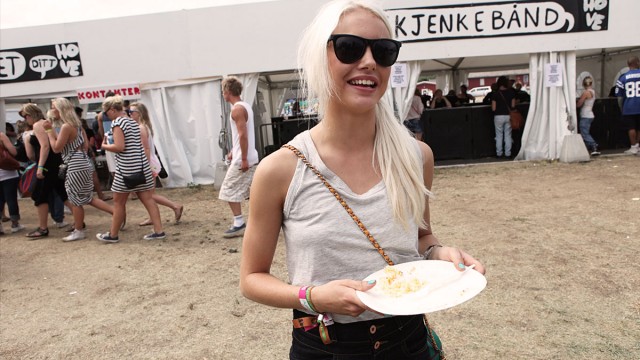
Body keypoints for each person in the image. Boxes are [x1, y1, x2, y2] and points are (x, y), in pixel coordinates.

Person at [239, 1, 485, 358]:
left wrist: (440, 253)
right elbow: (251, 280)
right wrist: (312, 296)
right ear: (319, 57)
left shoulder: (416, 157)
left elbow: (421, 237)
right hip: (324, 345)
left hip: (408, 342)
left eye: (383, 51)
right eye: (350, 47)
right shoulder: (280, 169)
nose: (369, 61)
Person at [96, 95, 165, 243]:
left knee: (118, 202)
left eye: (106, 112)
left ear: (113, 110)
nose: (105, 115)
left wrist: (104, 146)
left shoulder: (118, 123)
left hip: (126, 169)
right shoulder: (132, 122)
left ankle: (112, 235)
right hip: (141, 167)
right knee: (148, 199)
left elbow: (119, 147)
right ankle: (159, 230)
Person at [44, 98, 115, 241]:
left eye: (54, 108)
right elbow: (84, 145)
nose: (52, 110)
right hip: (82, 161)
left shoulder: (66, 126)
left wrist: (49, 131)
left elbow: (56, 148)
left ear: (60, 109)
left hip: (74, 164)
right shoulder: (76, 125)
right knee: (87, 197)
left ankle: (78, 230)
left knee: (75, 199)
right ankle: (117, 213)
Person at [20, 103, 72, 238]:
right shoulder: (46, 123)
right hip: (55, 163)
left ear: (30, 115)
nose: (25, 119)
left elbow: (45, 147)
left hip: (48, 164)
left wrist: (40, 167)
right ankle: (79, 221)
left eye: (25, 116)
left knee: (40, 195)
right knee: (62, 193)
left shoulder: (38, 125)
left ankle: (43, 228)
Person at [129, 102, 184, 226]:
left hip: (149, 163)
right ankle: (155, 216)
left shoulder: (141, 128)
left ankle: (174, 206)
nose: (129, 114)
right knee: (149, 194)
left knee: (149, 195)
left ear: (139, 113)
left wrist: (145, 166)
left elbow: (145, 149)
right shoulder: (144, 126)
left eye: (132, 112)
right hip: (151, 162)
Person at [218, 76, 259, 238]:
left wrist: (242, 159)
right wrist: (234, 152)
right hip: (247, 155)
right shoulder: (244, 106)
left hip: (244, 158)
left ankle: (239, 223)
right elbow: (241, 135)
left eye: (223, 91)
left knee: (228, 190)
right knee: (253, 192)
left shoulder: (236, 110)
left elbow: (243, 135)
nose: (223, 94)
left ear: (227, 92)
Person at [0, 132, 25, 234]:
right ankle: (15, 224)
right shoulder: (1, 135)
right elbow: (13, 152)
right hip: (8, 173)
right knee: (11, 198)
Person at [615, 56, 640, 155]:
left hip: (629, 106)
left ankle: (633, 147)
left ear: (628, 65)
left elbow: (619, 95)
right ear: (637, 63)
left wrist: (622, 107)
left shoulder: (623, 77)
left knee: (631, 127)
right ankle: (638, 146)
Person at [491, 75, 516, 158]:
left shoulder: (495, 94)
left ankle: (499, 154)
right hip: (508, 116)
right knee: (508, 135)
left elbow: (493, 108)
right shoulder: (511, 93)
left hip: (498, 116)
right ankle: (508, 154)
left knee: (498, 135)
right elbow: (513, 106)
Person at [576, 77, 600, 156]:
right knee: (585, 132)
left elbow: (579, 104)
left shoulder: (586, 93)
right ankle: (589, 147)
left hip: (585, 114)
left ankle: (593, 145)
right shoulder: (592, 91)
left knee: (584, 133)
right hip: (590, 114)